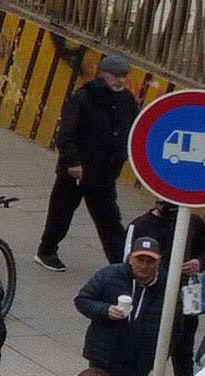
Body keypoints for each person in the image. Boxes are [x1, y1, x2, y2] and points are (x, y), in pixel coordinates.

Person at [41, 53, 140, 271]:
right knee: (60, 215)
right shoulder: (83, 98)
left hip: (104, 174)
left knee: (110, 221)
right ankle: (47, 251)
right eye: (116, 76)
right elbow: (66, 134)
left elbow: (135, 128)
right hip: (76, 174)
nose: (120, 80)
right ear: (102, 74)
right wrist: (72, 162)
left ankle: (121, 264)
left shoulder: (126, 100)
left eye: (124, 76)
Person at [80, 239, 176, 376]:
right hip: (105, 356)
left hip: (139, 363)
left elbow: (176, 325)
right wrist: (106, 310)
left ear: (159, 261)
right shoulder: (110, 275)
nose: (145, 266)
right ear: (130, 258)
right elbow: (83, 300)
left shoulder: (167, 287)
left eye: (150, 261)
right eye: (140, 260)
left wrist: (161, 355)